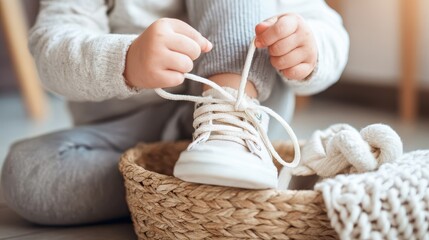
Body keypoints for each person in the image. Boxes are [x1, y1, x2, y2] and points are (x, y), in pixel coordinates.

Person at [1, 0, 349, 225]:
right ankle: (196, 188)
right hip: (124, 134)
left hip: (245, 122)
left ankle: (224, 146)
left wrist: (309, 48)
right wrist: (127, 61)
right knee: (28, 173)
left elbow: (327, 26)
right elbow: (51, 47)